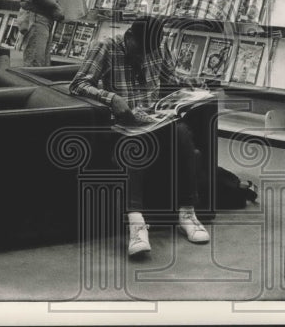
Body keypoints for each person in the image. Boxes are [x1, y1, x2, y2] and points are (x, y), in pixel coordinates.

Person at [69, 15, 210, 257]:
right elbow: (78, 84)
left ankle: (187, 213)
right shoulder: (106, 47)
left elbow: (170, 78)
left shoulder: (158, 46)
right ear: (130, 37)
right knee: (134, 145)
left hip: (155, 118)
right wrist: (111, 98)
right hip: (124, 123)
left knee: (183, 134)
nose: (145, 57)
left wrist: (193, 85)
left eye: (150, 52)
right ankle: (136, 225)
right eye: (140, 51)